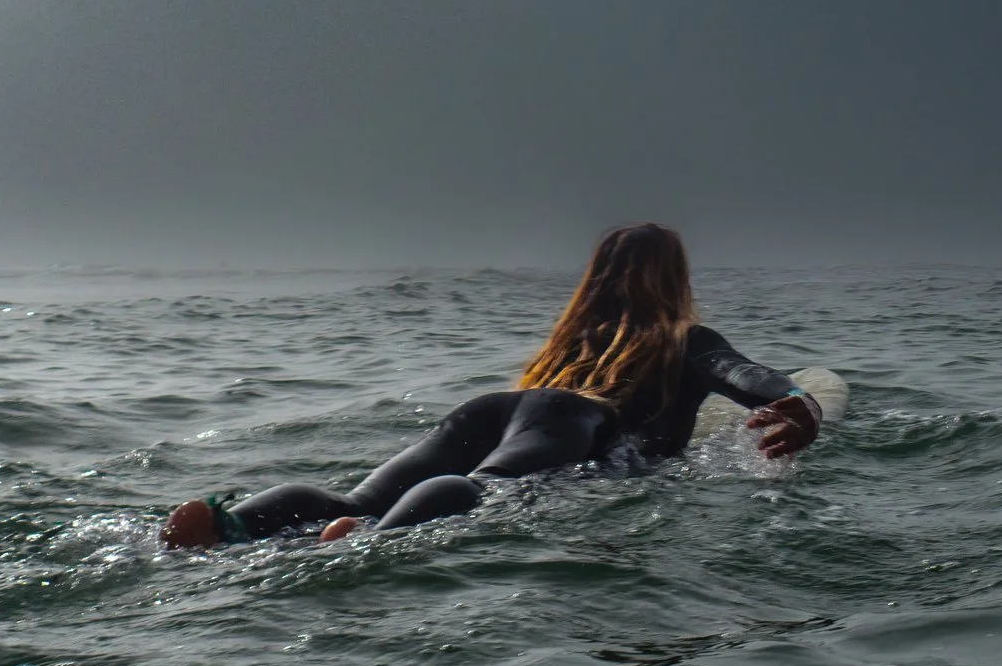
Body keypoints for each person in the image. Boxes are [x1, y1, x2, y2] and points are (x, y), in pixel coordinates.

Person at [159, 224, 820, 548]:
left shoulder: (567, 346)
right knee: (488, 490)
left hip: (489, 408)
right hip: (576, 423)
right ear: (677, 281)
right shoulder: (684, 338)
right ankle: (365, 539)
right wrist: (798, 401)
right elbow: (749, 377)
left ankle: (233, 522)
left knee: (353, 493)